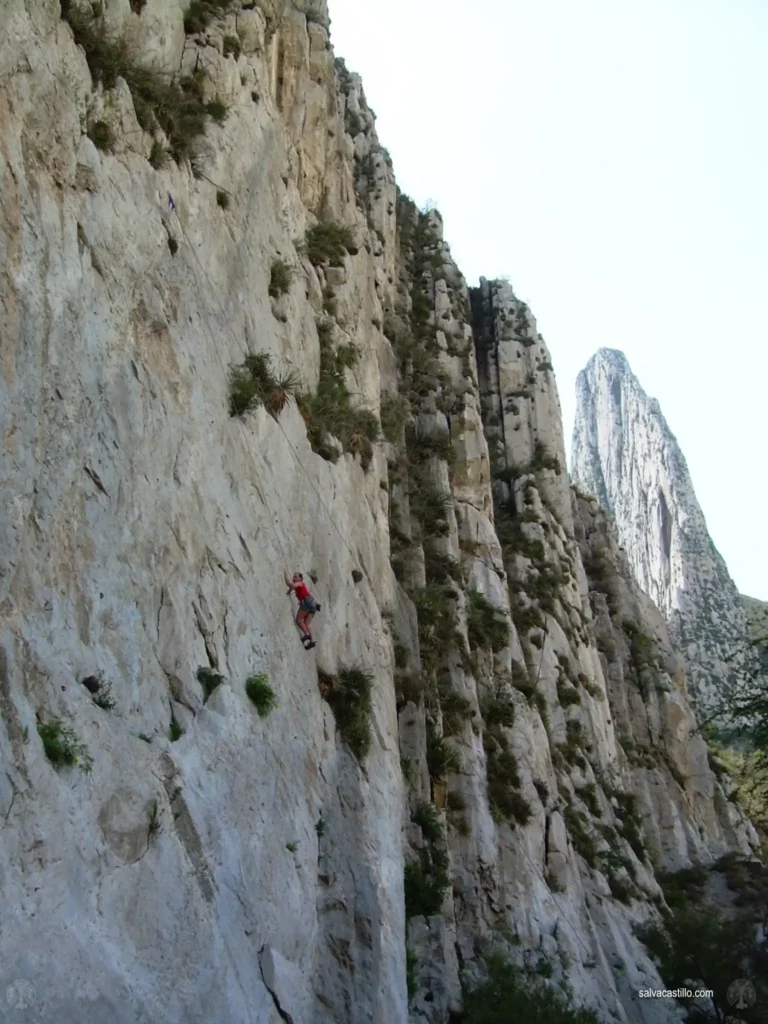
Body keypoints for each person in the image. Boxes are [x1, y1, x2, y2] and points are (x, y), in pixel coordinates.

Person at [284, 570, 321, 649]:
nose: (294, 578)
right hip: (313, 604)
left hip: (307, 604)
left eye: (296, 576)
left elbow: (292, 585)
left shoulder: (300, 583)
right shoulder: (299, 585)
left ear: (300, 579)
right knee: (306, 624)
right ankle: (312, 641)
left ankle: (307, 634)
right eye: (294, 576)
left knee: (299, 620)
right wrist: (288, 592)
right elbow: (292, 587)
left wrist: (285, 573)